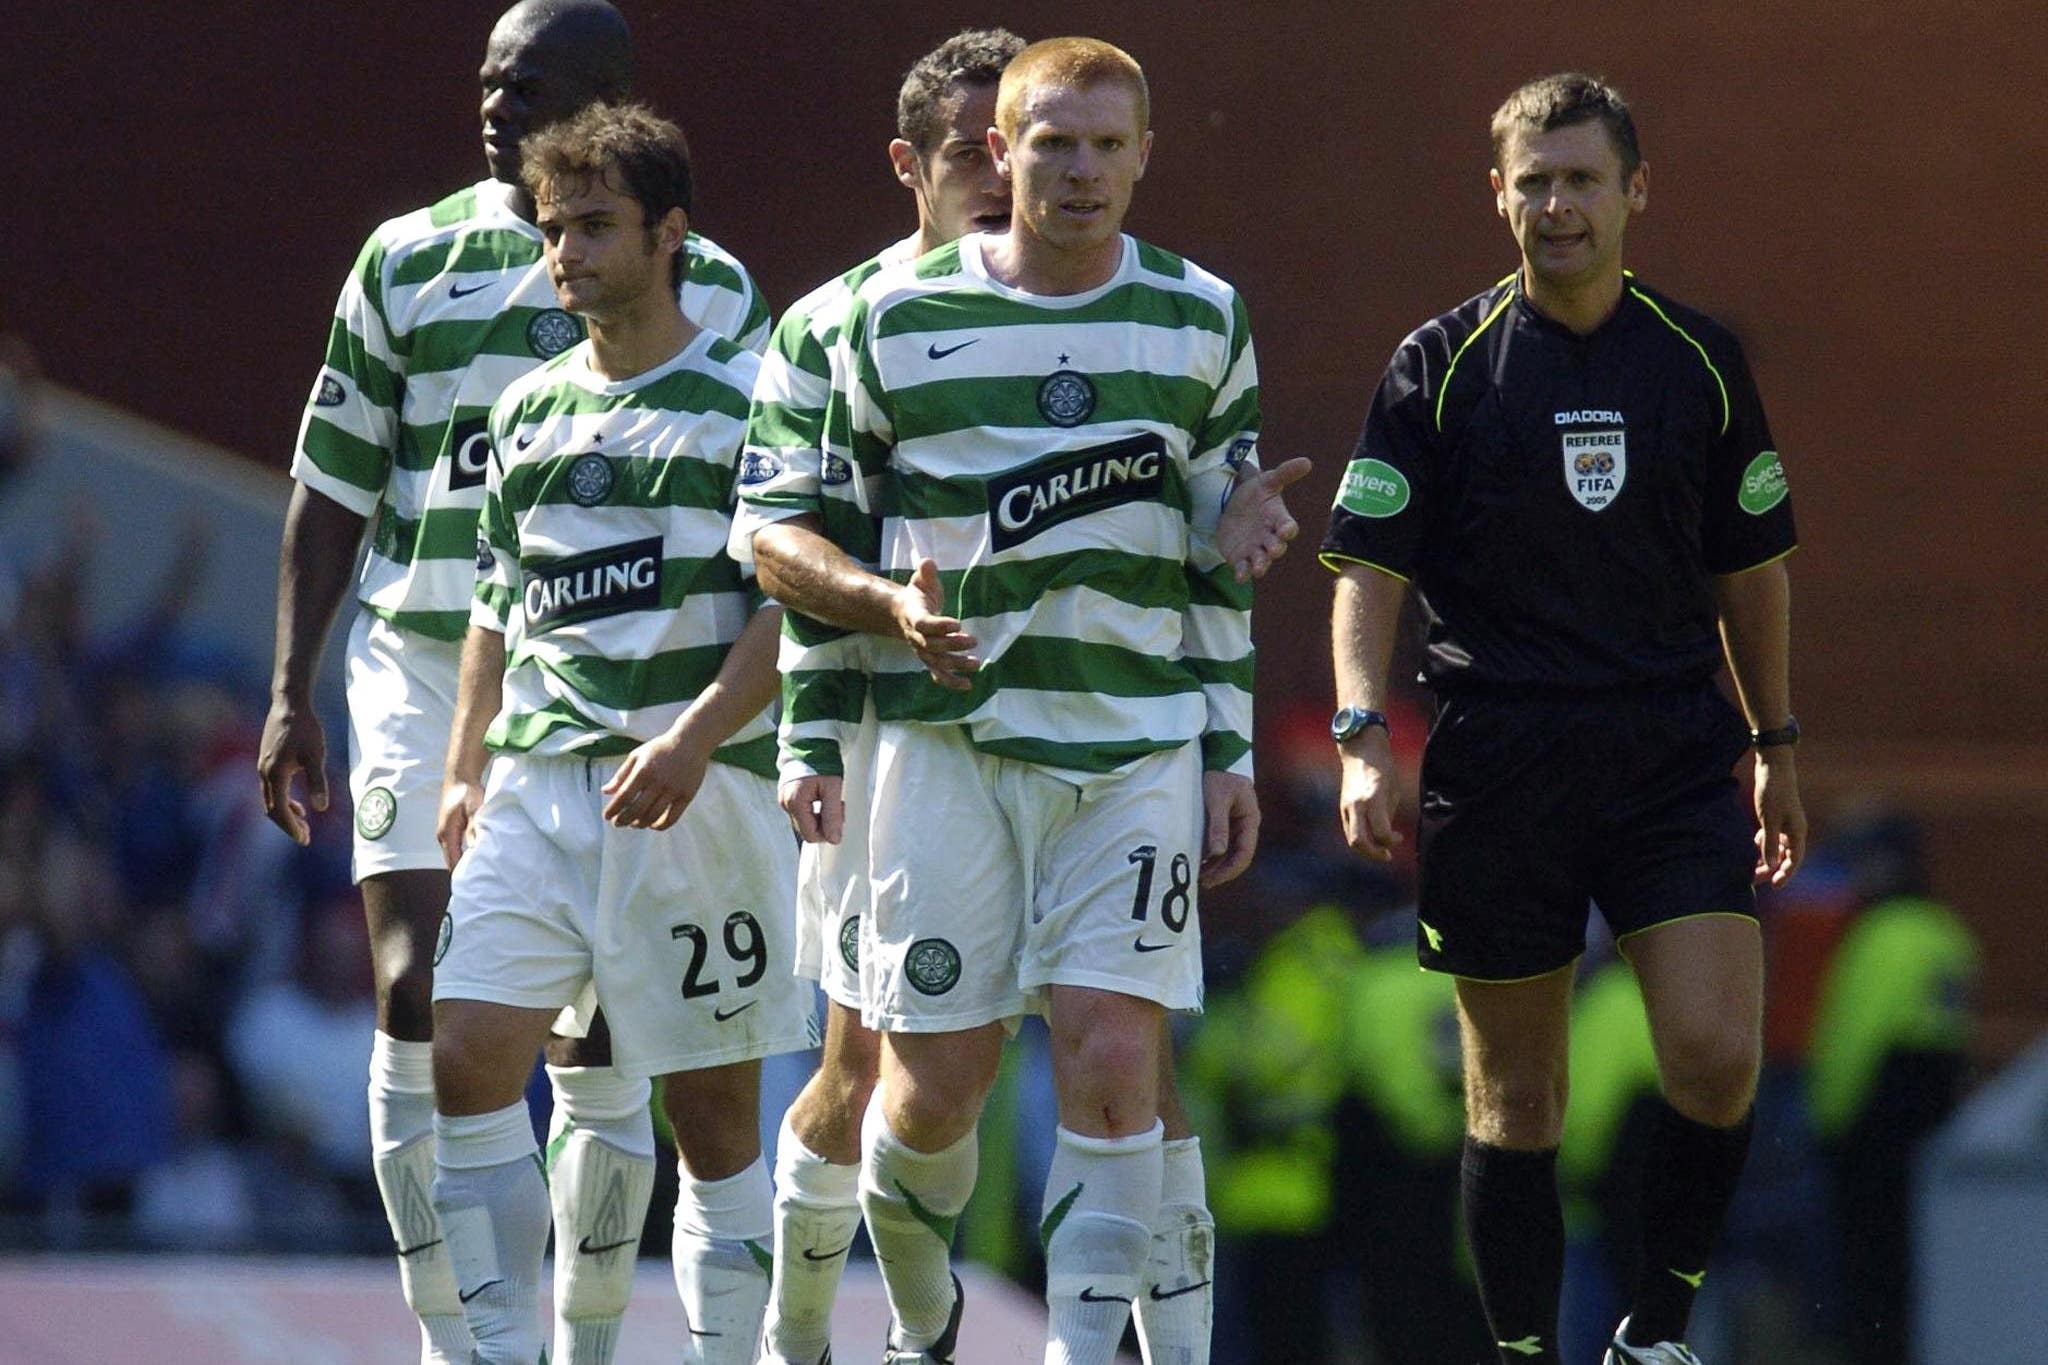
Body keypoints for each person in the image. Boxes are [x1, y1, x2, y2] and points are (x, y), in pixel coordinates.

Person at [254, 4, 768, 1362]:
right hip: (433, 659)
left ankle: (585, 1338)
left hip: (617, 683)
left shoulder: (708, 282)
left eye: (530, 81)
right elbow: (331, 481)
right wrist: (287, 686)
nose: (497, 101)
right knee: (421, 990)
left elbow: (768, 526)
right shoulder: (406, 258)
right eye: (489, 78)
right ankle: (463, 1339)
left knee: (601, 1042)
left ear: (609, 98)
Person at [747, 38, 1268, 1365]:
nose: (1081, 170)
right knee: (925, 1095)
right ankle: (923, 1315)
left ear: (1146, 152)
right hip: (939, 752)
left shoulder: (1203, 315)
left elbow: (1217, 549)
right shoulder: (888, 322)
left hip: (1132, 746)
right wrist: (875, 625)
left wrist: (1228, 744)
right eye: (1053, 143)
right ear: (1000, 152)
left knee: (1114, 1062)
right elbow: (790, 531)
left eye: (1107, 145)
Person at [1321, 72, 1806, 1365]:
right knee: (1517, 1098)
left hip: (1669, 757)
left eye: (1583, 178)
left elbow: (1750, 572)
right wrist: (1362, 735)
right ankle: (1528, 1353)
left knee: (1714, 1056)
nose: (1558, 204)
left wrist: (1777, 743)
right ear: (1498, 194)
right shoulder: (1440, 366)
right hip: (1498, 764)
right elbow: (1368, 569)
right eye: (1533, 180)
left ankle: (1654, 1334)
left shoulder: (1698, 361)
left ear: (1635, 191)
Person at [427, 103, 808, 1365]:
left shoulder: (751, 399)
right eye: (553, 232)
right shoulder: (524, 410)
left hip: (697, 799)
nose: (567, 255)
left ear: (670, 236)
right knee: (467, 1057)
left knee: (712, 1126)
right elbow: (497, 607)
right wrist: (462, 766)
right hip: (538, 787)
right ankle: (495, 1349)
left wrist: (697, 738)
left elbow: (788, 612)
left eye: (596, 227)